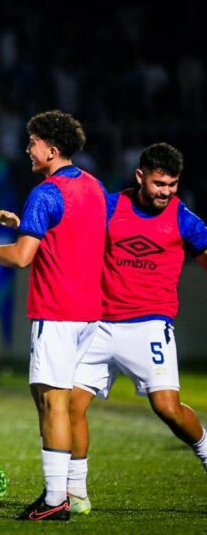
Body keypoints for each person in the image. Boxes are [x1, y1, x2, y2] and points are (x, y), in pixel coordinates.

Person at [0, 110, 107, 521]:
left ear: (51, 149)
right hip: (89, 313)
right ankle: (74, 493)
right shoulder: (95, 187)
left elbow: (23, 257)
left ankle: (54, 499)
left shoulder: (46, 192)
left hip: (57, 311)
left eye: (32, 143)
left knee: (52, 403)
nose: (28, 149)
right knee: (64, 404)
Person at [68, 143, 207, 514]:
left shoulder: (184, 218)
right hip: (98, 324)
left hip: (149, 325)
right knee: (69, 405)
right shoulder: (111, 206)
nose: (166, 192)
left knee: (168, 410)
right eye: (160, 183)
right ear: (140, 176)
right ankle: (75, 494)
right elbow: (76, 236)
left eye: (173, 185)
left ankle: (206, 451)